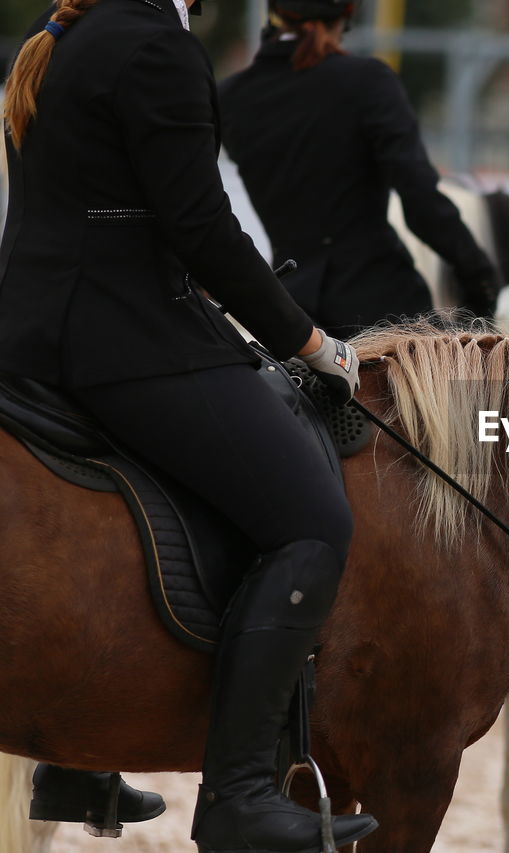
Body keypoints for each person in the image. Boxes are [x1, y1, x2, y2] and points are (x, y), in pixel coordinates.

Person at [1, 1, 377, 850]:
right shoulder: (156, 47)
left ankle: (79, 759)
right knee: (312, 520)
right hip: (124, 344)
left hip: (34, 334)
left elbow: (104, 209)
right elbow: (201, 224)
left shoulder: (68, 38)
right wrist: (308, 340)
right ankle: (240, 789)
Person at [218, 0, 500, 337]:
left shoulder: (230, 96)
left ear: (274, 16)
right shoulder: (368, 81)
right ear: (345, 18)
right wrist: (480, 276)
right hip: (383, 309)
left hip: (289, 312)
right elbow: (422, 201)